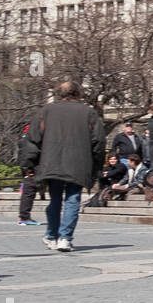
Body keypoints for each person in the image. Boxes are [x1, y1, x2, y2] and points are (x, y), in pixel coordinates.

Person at [18, 81, 104, 253]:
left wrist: (28, 165)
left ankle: (51, 236)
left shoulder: (46, 111)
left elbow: (33, 140)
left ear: (59, 93)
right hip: (79, 163)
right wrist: (96, 166)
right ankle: (65, 238)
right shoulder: (89, 113)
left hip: (52, 161)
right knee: (73, 200)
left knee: (55, 199)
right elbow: (98, 142)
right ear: (78, 93)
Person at [17, 123, 41, 225]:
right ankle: (24, 217)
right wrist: (28, 169)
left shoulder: (24, 139)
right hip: (30, 168)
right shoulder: (30, 140)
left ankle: (24, 216)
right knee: (29, 192)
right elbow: (29, 154)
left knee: (28, 192)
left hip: (28, 167)